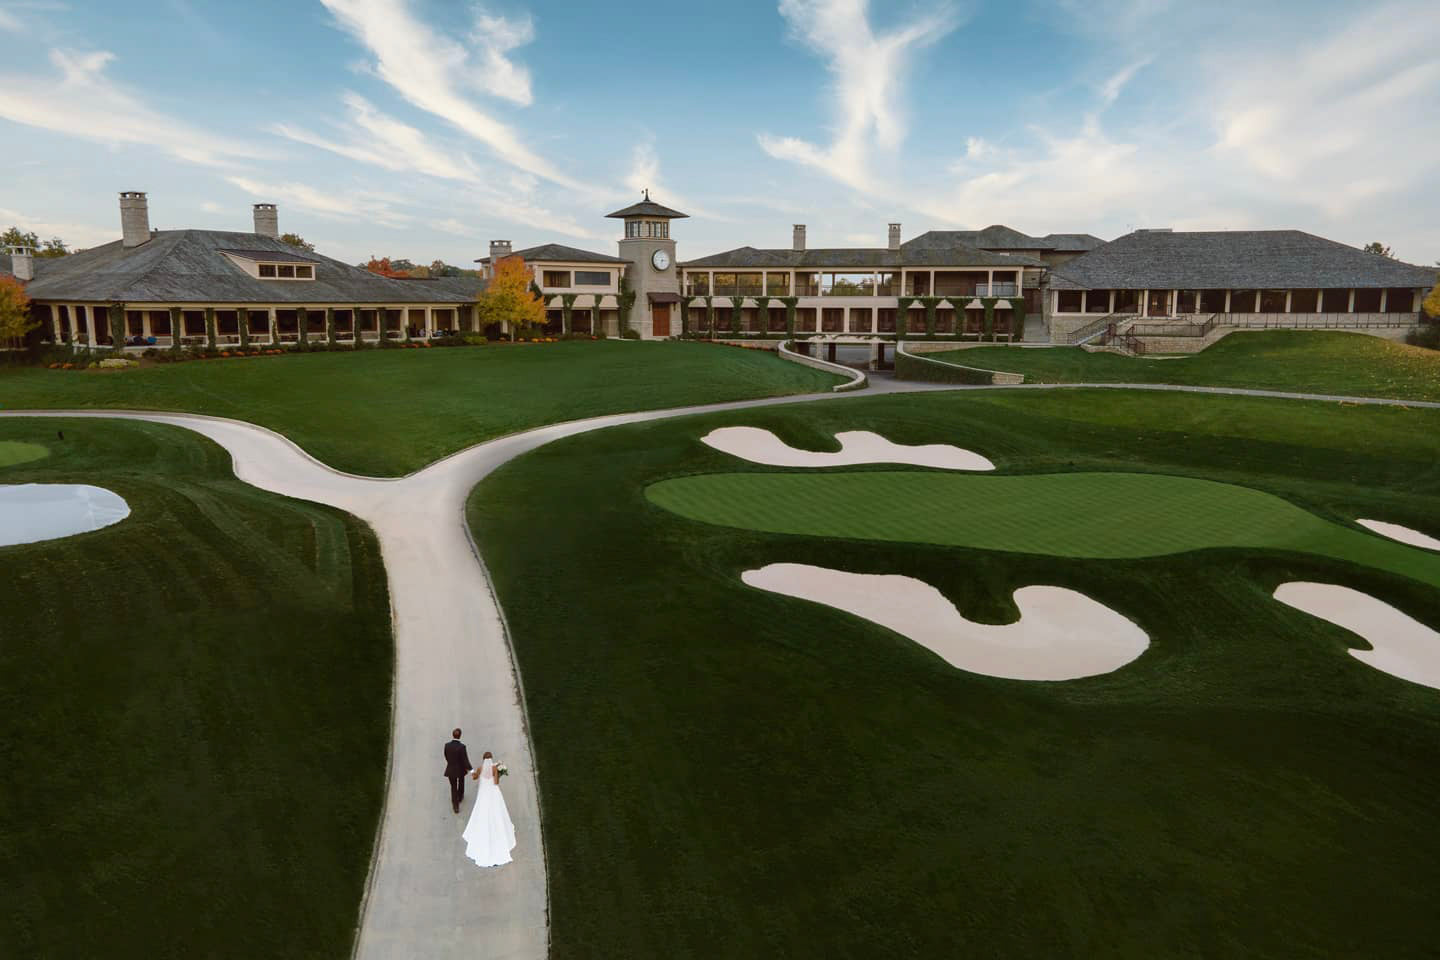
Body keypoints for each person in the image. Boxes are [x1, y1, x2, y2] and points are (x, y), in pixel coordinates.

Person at [462, 751, 516, 868]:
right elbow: (496, 782)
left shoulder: (480, 768)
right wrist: (499, 773)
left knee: (481, 810)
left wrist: (472, 772)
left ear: (483, 759)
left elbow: (475, 777)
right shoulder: (494, 769)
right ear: (491, 759)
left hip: (483, 793)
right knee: (497, 810)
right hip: (493, 792)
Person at [443, 728, 472, 814]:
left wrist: (450, 763)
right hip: (460, 769)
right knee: (461, 782)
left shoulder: (447, 745)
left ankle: (455, 806)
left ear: (453, 735)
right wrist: (472, 771)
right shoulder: (462, 747)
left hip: (451, 769)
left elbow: (446, 756)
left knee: (453, 787)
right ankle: (460, 796)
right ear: (460, 736)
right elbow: (465, 760)